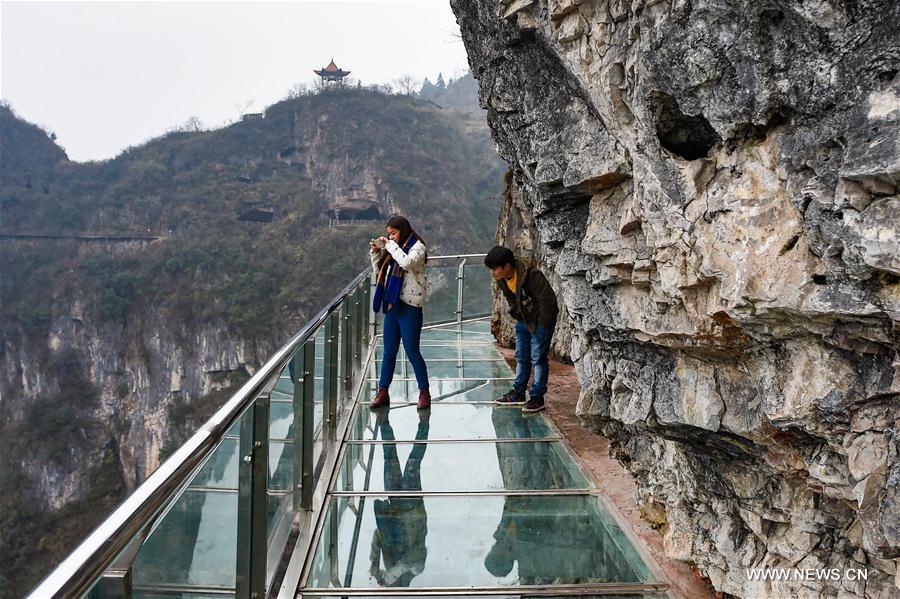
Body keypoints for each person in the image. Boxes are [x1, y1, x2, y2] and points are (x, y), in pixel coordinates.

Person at [484, 246, 558, 413]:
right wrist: (517, 314)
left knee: (538, 358)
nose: (493, 273)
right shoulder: (502, 279)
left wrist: (541, 323)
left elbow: (548, 301)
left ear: (507, 266)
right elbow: (511, 299)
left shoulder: (531, 275)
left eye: (495, 269)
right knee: (522, 356)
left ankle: (537, 397)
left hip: (540, 320)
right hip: (524, 319)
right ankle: (518, 393)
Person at [369, 215, 430, 410]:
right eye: (389, 234)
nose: (391, 237)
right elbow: (381, 271)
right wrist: (376, 253)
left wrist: (390, 247)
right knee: (389, 352)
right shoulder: (394, 249)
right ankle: (383, 391)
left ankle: (424, 392)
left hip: (410, 306)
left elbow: (407, 263)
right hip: (392, 304)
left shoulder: (417, 247)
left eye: (393, 233)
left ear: (402, 230)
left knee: (412, 351)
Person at [369, 407, 430, 586]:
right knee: (413, 461)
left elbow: (378, 533)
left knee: (389, 456)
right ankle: (424, 423)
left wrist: (374, 562)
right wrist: (390, 575)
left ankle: (384, 421)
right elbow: (411, 560)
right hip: (412, 504)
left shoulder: (390, 561)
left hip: (394, 503)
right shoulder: (418, 568)